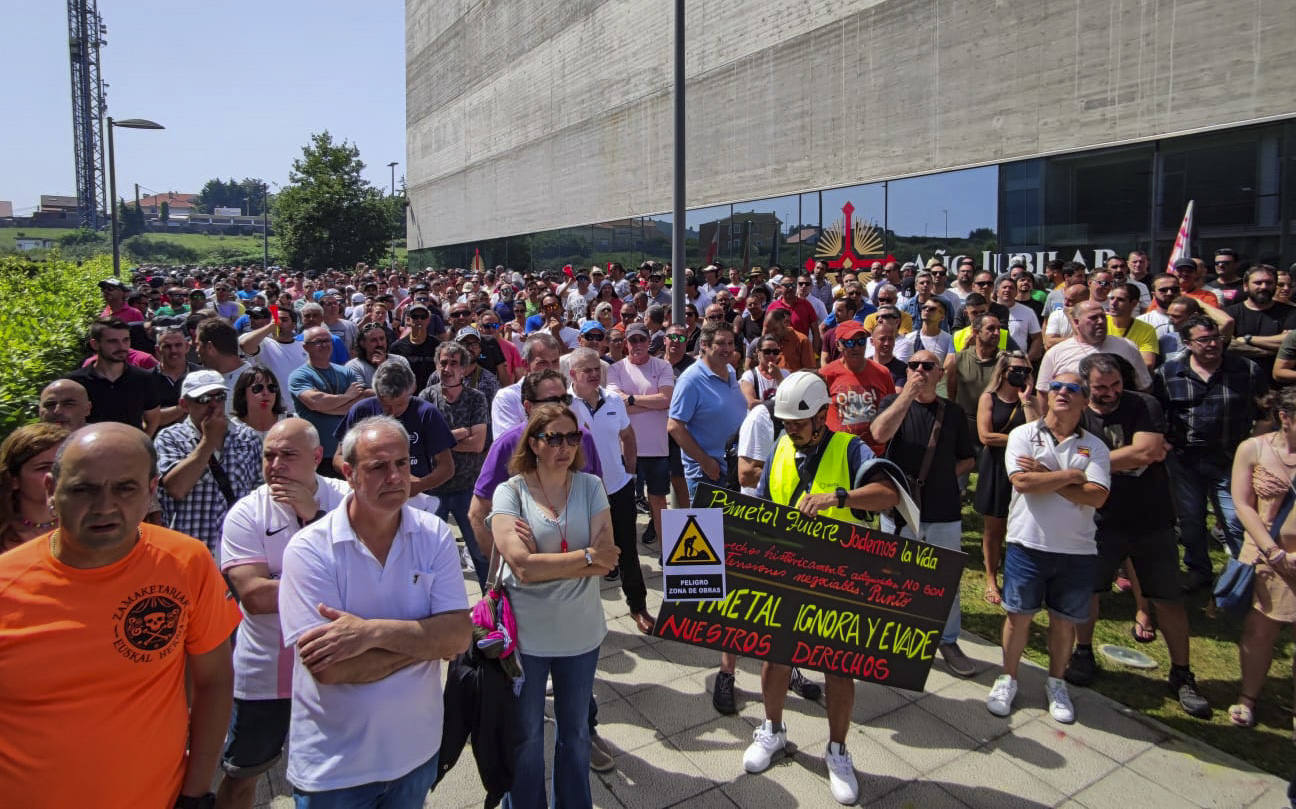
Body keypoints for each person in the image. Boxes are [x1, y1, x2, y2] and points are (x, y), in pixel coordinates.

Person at [0, 423, 242, 808]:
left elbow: (213, 680)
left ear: (150, 492)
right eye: (84, 489)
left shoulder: (186, 562)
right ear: (51, 491)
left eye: (125, 488)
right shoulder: (7, 585)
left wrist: (196, 793)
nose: (104, 507)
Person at [278, 416, 471, 805]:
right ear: (349, 473)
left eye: (402, 463)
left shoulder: (433, 535)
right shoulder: (309, 550)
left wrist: (370, 634)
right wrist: (424, 643)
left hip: (415, 755)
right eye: (379, 467)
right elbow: (330, 668)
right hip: (335, 768)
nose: (396, 477)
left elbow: (458, 636)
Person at [740, 372, 904, 804]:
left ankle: (837, 750)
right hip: (786, 569)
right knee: (775, 657)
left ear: (819, 416)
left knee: (837, 666)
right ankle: (772, 730)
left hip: (836, 578)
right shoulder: (780, 445)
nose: (790, 430)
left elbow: (888, 494)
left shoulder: (850, 448)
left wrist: (840, 498)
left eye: (797, 423)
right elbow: (762, 502)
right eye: (786, 423)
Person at [1062, 354, 1211, 717]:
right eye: (1100, 388)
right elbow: (1064, 457)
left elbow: (1147, 450)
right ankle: (1083, 653)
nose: (1110, 393)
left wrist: (1090, 463)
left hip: (1152, 518)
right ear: (1086, 385)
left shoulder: (1144, 404)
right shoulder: (1077, 411)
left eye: (1115, 386)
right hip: (1099, 518)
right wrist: (1116, 459)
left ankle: (1182, 673)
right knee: (1089, 590)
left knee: (1167, 598)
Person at [490, 402, 619, 809]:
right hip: (526, 639)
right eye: (554, 438)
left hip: (581, 634)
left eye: (572, 437)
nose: (565, 446)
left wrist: (556, 561)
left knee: (576, 733)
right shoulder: (509, 492)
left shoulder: (591, 486)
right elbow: (522, 567)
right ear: (534, 443)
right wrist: (584, 557)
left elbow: (609, 558)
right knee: (526, 736)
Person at [215, 420, 349, 809]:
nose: (275, 465)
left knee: (336, 775)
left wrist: (313, 517)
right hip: (265, 674)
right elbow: (254, 597)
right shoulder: (246, 513)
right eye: (268, 455)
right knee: (243, 773)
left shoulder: (346, 499)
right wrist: (335, 586)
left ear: (317, 457)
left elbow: (369, 574)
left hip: (337, 666)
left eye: (288, 455)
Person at [987, 372, 1110, 724]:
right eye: (1056, 387)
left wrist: (1047, 475)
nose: (1062, 393)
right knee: (1018, 616)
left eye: (1073, 389)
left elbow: (1098, 496)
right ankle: (1007, 678)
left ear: (1085, 400)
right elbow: (1022, 482)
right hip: (1028, 542)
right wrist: (1071, 476)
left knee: (1064, 622)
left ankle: (1056, 682)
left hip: (1076, 550)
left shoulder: (1095, 446)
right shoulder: (1023, 435)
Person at [870, 350, 979, 678]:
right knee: (895, 575)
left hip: (943, 510)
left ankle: (947, 640)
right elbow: (878, 433)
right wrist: (906, 396)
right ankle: (893, 637)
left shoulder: (955, 413)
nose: (919, 370)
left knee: (946, 578)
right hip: (901, 510)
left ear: (939, 374)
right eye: (913, 365)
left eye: (927, 366)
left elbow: (968, 459)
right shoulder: (893, 401)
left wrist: (941, 477)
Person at [1154, 315, 1266, 590]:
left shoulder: (1246, 370)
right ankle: (1198, 571)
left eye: (1216, 337)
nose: (1212, 344)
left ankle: (1243, 577)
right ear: (1188, 343)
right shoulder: (1169, 373)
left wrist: (1253, 446)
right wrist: (1165, 443)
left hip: (1231, 460)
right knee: (1191, 522)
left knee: (1236, 521)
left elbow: (1266, 412)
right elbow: (1157, 414)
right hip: (1184, 461)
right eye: (1204, 340)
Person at [567, 348, 652, 632]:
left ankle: (638, 607)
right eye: (586, 370)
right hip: (580, 493)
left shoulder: (614, 400)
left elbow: (627, 435)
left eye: (596, 369)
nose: (593, 374)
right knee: (581, 554)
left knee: (627, 548)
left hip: (618, 488)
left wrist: (630, 470)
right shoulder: (564, 406)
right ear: (572, 375)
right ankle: (581, 616)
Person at [1228, 387, 1296, 728]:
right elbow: (1242, 504)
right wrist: (1273, 551)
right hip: (1266, 556)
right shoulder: (1252, 449)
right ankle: (1248, 697)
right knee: (1259, 632)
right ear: (1285, 417)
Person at [156, 370, 264, 556]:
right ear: (184, 404)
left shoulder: (247, 437)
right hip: (188, 549)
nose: (214, 405)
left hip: (237, 550)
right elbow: (176, 488)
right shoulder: (170, 438)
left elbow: (259, 495)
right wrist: (208, 442)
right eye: (203, 399)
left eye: (219, 397)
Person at [420, 340, 491, 590]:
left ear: (464, 369)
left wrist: (443, 440)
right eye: (443, 362)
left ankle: (491, 610)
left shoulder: (476, 399)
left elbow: (477, 443)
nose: (447, 368)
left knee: (481, 552)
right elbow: (424, 441)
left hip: (467, 488)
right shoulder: (426, 398)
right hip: (433, 487)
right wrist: (460, 432)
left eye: (453, 363)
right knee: (426, 554)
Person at [335, 359, 455, 496]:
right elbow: (339, 457)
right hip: (370, 495)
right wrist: (359, 475)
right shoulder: (360, 411)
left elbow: (447, 467)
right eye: (385, 405)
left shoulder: (426, 413)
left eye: (399, 405)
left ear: (412, 390)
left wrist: (421, 484)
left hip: (414, 498)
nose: (392, 413)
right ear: (376, 393)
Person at [975, 351, 1038, 605]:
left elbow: (1038, 434)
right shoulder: (988, 398)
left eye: (1026, 370)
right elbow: (985, 436)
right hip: (997, 467)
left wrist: (1026, 401)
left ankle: (1017, 575)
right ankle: (991, 577)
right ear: (1003, 371)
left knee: (1021, 525)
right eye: (1016, 369)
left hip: (1023, 468)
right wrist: (1019, 440)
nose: (1022, 374)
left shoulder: (1032, 402)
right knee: (994, 527)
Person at [607, 322, 675, 549]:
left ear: (648, 342)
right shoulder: (615, 369)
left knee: (659, 501)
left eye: (641, 340)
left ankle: (667, 551)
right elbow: (617, 404)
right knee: (622, 504)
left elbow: (666, 400)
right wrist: (652, 403)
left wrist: (633, 400)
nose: (637, 345)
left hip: (657, 448)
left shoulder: (663, 366)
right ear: (626, 344)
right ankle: (622, 551)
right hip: (624, 450)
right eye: (632, 340)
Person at [667, 321, 748, 502]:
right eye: (720, 343)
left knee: (730, 530)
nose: (727, 349)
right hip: (708, 476)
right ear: (704, 345)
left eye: (730, 343)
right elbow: (674, 426)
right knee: (707, 531)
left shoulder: (730, 370)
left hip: (733, 470)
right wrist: (705, 462)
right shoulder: (690, 380)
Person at [289, 326, 369, 475]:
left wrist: (326, 407)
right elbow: (316, 402)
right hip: (318, 455)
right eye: (318, 341)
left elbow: (361, 400)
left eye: (328, 340)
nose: (325, 345)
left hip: (348, 452)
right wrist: (347, 397)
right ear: (306, 347)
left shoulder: (346, 371)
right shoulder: (299, 375)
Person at [1036, 301, 1153, 397]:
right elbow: (1043, 392)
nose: (1101, 321)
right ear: (1076, 322)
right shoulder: (1056, 353)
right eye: (1093, 318)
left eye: (1103, 317)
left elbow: (1144, 386)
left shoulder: (1127, 346)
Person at [66, 318, 161, 435]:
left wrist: (140, 444)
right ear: (95, 344)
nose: (121, 347)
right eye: (113, 341)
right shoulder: (76, 382)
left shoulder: (143, 379)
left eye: (126, 340)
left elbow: (153, 419)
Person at [819, 320, 896, 455]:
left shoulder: (882, 373)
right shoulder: (827, 374)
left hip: (875, 453)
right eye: (849, 342)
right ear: (838, 345)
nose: (856, 347)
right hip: (838, 452)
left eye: (861, 341)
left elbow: (892, 410)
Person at [0, 423, 69, 553]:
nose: (57, 474)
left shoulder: (89, 527)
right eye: (43, 467)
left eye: (63, 465)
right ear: (13, 479)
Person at [1225, 264, 1296, 386]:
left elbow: (1288, 341)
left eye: (1269, 283)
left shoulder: (1291, 312)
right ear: (1246, 286)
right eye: (1258, 283)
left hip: (1279, 388)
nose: (1264, 287)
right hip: (1240, 384)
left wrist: (1248, 339)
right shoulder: (1229, 313)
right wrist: (1272, 351)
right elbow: (1230, 346)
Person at [950, 313, 1006, 441]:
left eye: (999, 329)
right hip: (965, 429)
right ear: (976, 332)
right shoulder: (957, 360)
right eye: (991, 328)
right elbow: (951, 395)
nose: (997, 333)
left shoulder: (1007, 361)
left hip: (996, 429)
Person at [493, 333, 563, 435]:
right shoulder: (507, 397)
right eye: (543, 363)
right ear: (526, 364)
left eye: (555, 362)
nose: (551, 369)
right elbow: (509, 443)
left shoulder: (563, 396)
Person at [238, 306, 305, 413]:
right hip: (273, 411)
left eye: (284, 320)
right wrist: (270, 327)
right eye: (275, 319)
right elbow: (245, 345)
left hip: (301, 410)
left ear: (293, 325)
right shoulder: (264, 343)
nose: (278, 323)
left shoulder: (302, 347)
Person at [195, 319, 251, 413]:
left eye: (198, 345)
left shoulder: (253, 384)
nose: (196, 350)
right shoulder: (203, 381)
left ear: (209, 347)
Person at [231, 365, 288, 437]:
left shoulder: (292, 422)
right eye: (258, 388)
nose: (266, 393)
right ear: (243, 394)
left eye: (271, 387)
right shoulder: (231, 428)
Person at [740, 334, 789, 407]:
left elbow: (791, 399)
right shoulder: (749, 376)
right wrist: (779, 404)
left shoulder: (785, 374)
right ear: (758, 352)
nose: (771, 355)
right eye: (767, 351)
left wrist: (779, 378)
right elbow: (751, 403)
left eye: (775, 351)